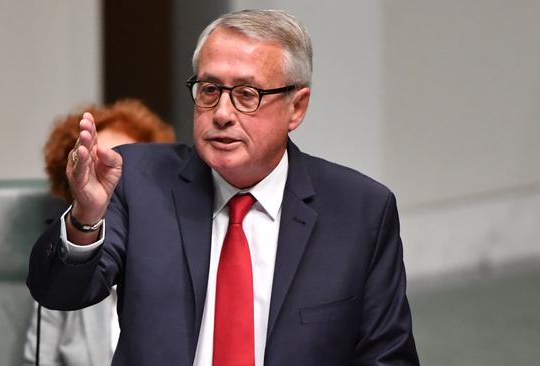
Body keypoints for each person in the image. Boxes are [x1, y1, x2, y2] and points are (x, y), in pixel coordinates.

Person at [27, 9, 419, 366]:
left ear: (296, 108)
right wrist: (86, 217)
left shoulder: (360, 210)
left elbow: (387, 357)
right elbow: (60, 293)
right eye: (210, 90)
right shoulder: (140, 180)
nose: (223, 114)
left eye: (247, 94)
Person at [23, 99, 175, 366]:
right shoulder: (59, 278)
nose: (107, 184)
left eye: (121, 170)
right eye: (94, 169)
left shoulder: (177, 265)